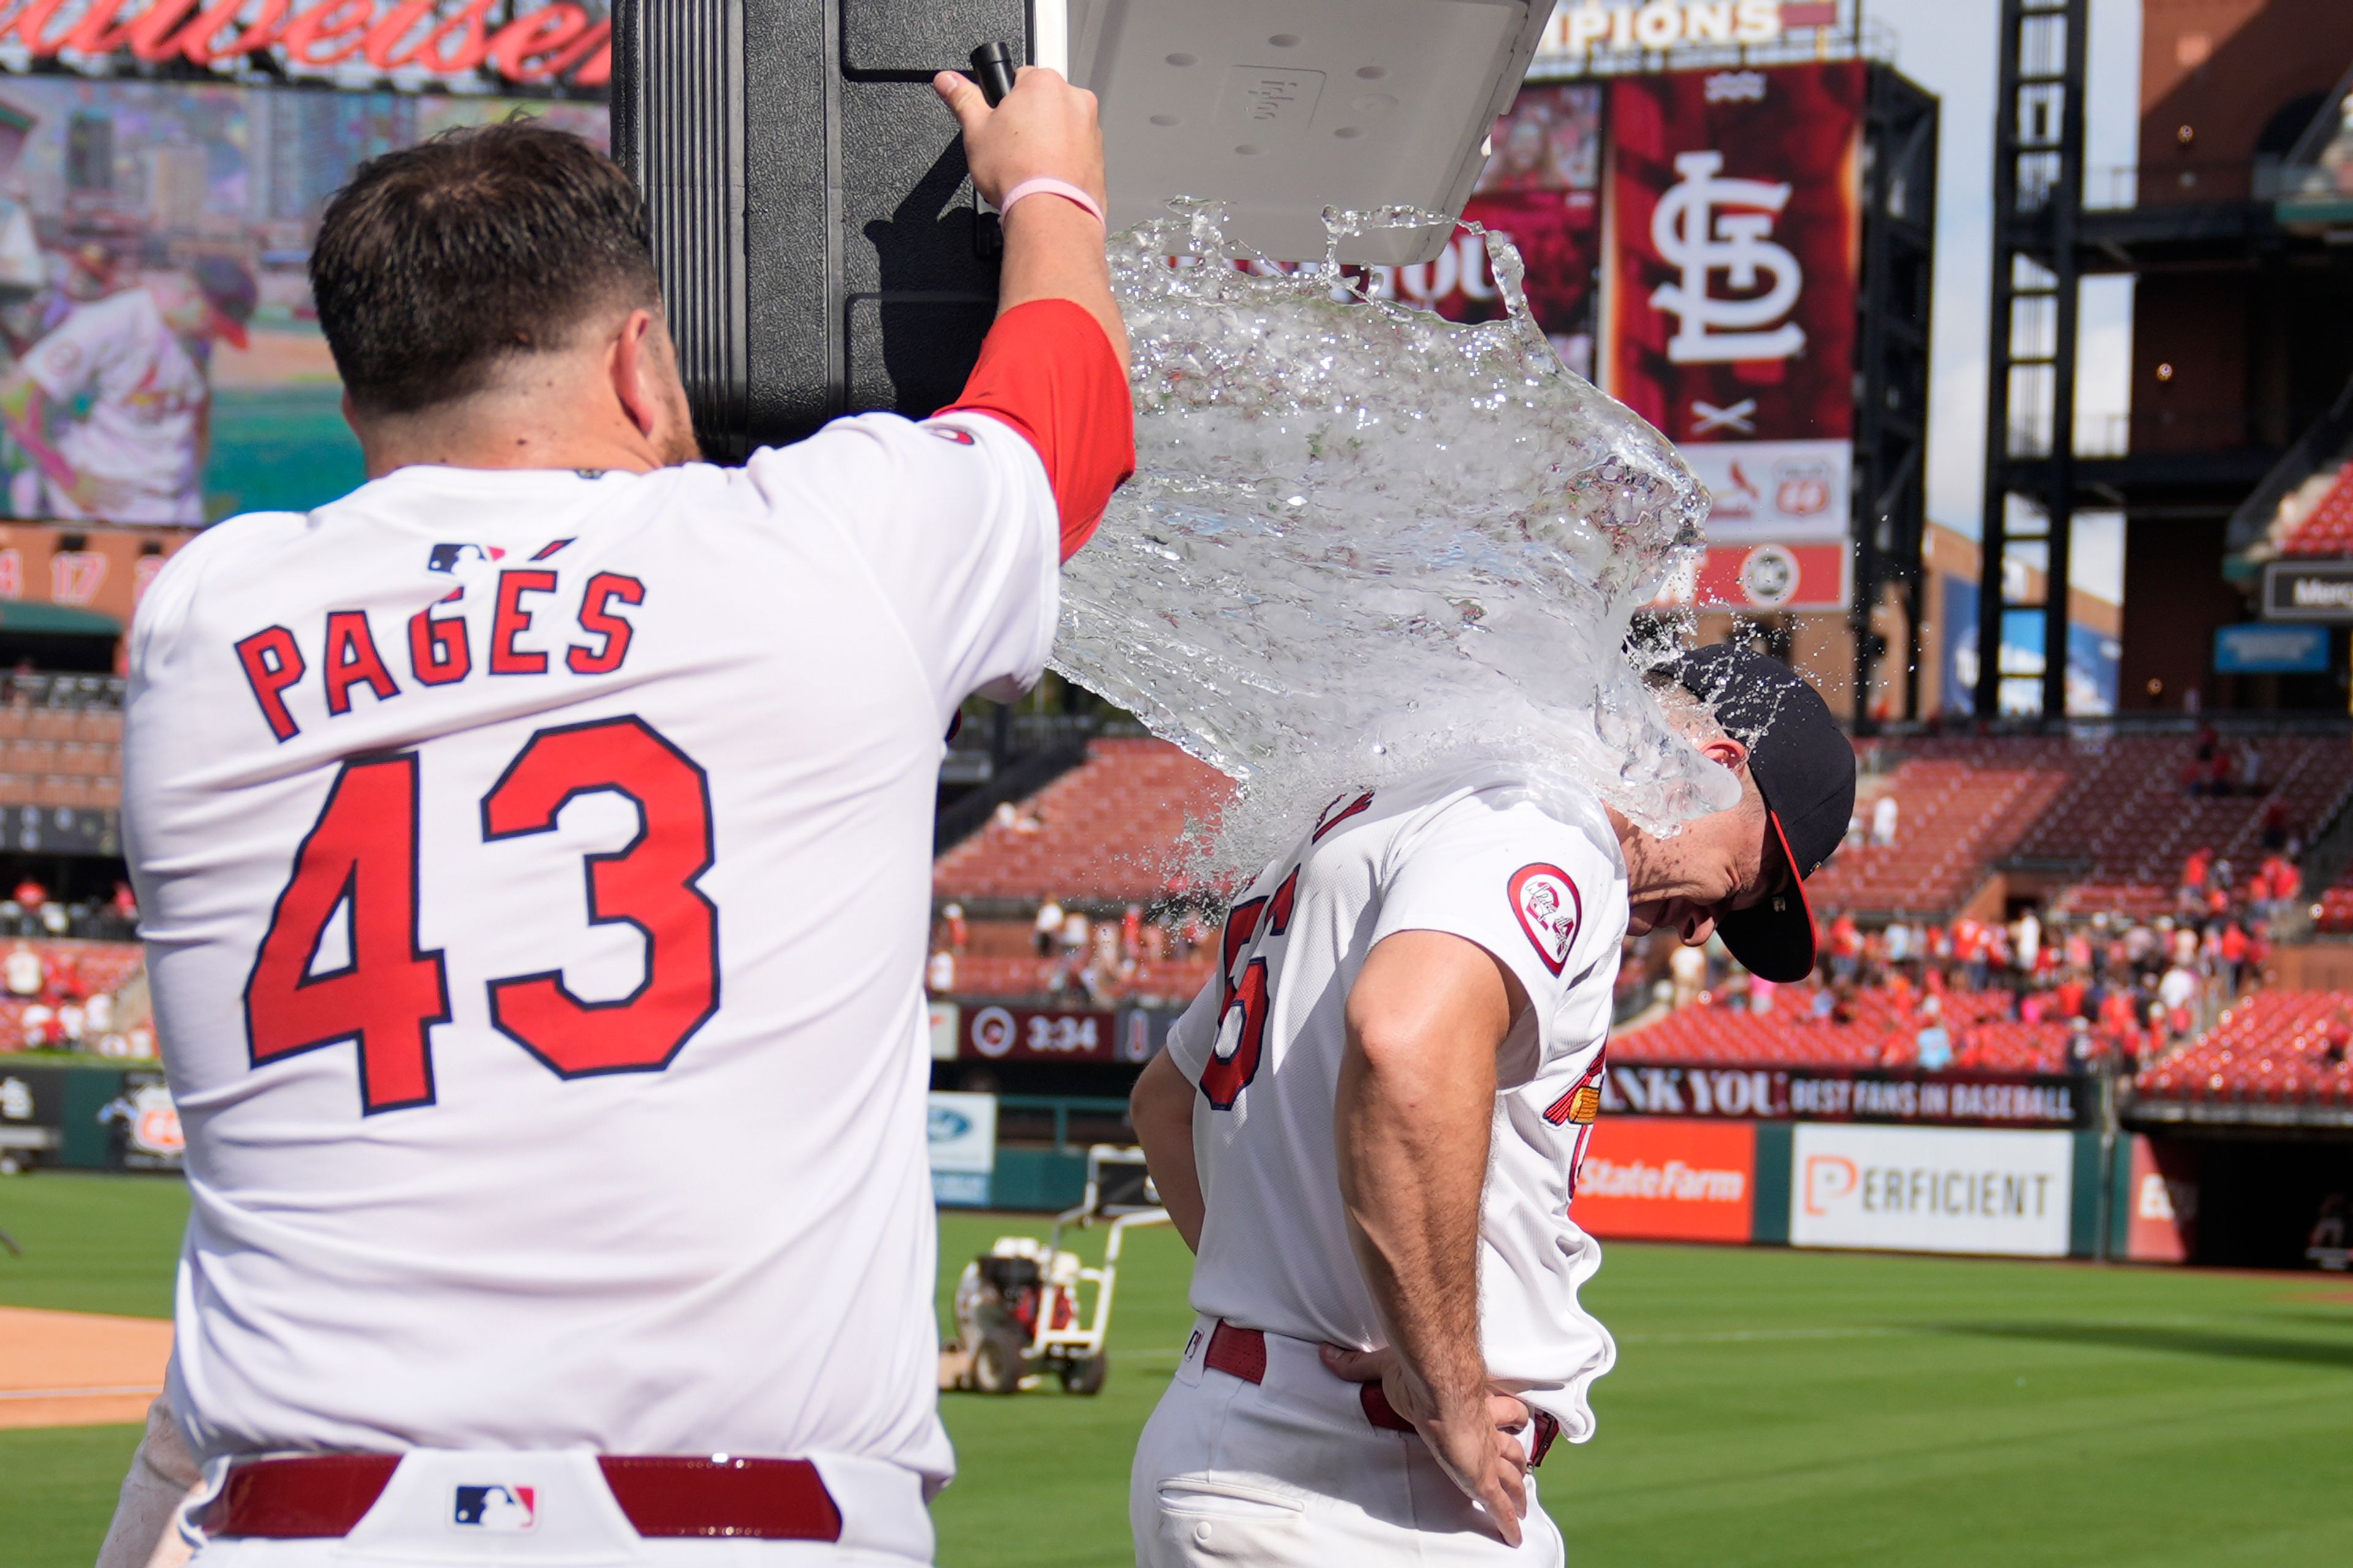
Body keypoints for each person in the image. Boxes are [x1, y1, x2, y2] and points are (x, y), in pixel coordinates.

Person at [102, 71, 1129, 1568]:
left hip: (300, 1525)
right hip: (733, 1525)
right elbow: (1066, 422)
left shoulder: (199, 621)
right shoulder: (824, 549)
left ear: (354, 398)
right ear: (642, 362)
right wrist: (1052, 187)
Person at [1126, 646, 1854, 1566]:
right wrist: (1446, 1383)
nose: (1708, 926)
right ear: (1710, 771)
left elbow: (1166, 1101)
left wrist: (1309, 1313)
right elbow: (1403, 1044)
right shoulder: (1547, 822)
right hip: (1361, 1484)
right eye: (1746, 882)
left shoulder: (1402, 803)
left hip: (1263, 1444)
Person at [0, 256, 256, 524]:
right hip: (106, 505)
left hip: (176, 506)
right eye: (213, 325)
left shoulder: (195, 336)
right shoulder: (116, 320)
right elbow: (15, 397)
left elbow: (197, 406)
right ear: (191, 295)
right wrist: (68, 478)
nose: (213, 336)